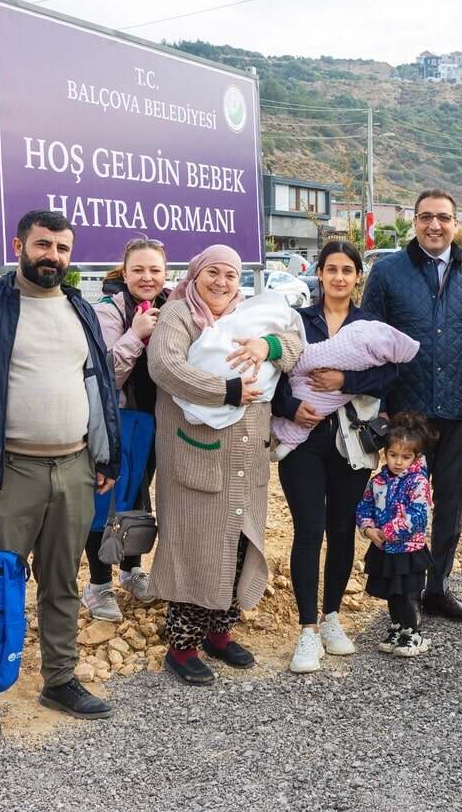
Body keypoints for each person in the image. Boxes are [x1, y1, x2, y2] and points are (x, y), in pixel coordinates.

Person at [0, 209, 122, 746]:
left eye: (63, 249)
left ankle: (59, 680)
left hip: (74, 468)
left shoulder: (80, 309)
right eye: (43, 246)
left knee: (61, 583)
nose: (53, 258)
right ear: (19, 245)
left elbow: (101, 388)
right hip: (6, 472)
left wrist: (105, 460)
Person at [146, 244, 304, 686]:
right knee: (195, 545)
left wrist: (266, 344)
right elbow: (164, 365)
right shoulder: (179, 315)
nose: (220, 282)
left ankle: (219, 632)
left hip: (246, 456)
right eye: (211, 273)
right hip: (195, 453)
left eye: (230, 275)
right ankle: (181, 646)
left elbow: (293, 345)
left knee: (236, 544)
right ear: (195, 275)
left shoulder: (254, 315)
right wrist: (227, 391)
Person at [360, 188, 462, 622]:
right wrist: (379, 407)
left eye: (443, 217)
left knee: (450, 503)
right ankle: (404, 592)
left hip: (461, 409)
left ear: (456, 223)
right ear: (414, 220)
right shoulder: (388, 272)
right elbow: (370, 341)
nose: (434, 225)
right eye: (426, 217)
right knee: (404, 503)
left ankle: (437, 587)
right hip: (407, 414)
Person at [271, 241, 403, 674]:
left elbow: (391, 372)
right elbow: (272, 372)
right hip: (303, 439)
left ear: (357, 276)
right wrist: (290, 409)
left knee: (342, 528)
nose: (339, 277)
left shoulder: (369, 324)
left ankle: (331, 618)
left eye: (348, 270)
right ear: (320, 274)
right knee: (309, 530)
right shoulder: (298, 321)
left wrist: (346, 378)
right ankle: (306, 630)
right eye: (332, 269)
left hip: (352, 439)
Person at [85, 237, 170, 622]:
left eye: (155, 270)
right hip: (118, 420)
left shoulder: (173, 307)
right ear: (124, 271)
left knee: (137, 496)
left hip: (155, 421)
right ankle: (98, 584)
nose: (147, 277)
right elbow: (106, 378)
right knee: (105, 501)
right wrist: (135, 334)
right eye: (138, 269)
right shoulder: (107, 311)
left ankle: (130, 569)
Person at [356, 412, 438, 658]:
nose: (398, 462)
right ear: (386, 453)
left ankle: (413, 633)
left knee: (407, 593)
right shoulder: (378, 481)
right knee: (392, 592)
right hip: (384, 547)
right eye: (393, 455)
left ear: (416, 457)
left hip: (408, 549)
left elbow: (419, 514)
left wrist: (391, 530)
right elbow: (365, 506)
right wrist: (369, 528)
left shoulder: (418, 482)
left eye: (405, 457)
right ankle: (397, 628)